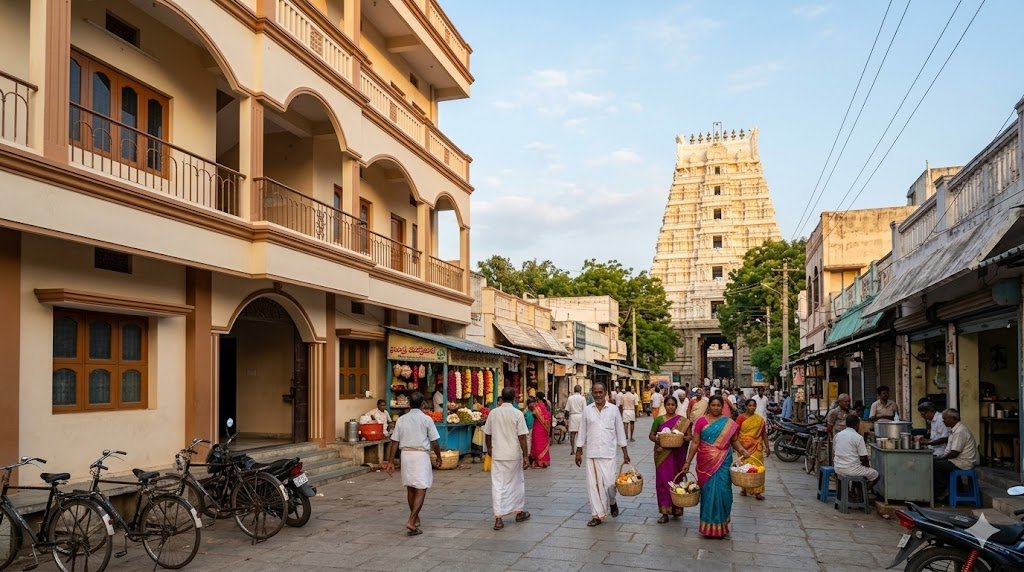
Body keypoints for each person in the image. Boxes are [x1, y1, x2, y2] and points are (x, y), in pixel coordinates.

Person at [682, 395, 748, 538]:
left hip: (724, 460)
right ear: (709, 406)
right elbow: (695, 443)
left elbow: (734, 441)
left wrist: (742, 450)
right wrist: (687, 462)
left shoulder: (728, 422)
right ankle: (708, 527)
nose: (716, 408)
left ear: (722, 407)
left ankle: (722, 525)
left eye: (719, 405)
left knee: (724, 492)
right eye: (713, 405)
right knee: (708, 492)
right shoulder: (700, 422)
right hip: (705, 462)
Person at [382, 392, 442, 536]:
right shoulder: (427, 419)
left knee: (410, 488)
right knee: (421, 487)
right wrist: (439, 457)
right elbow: (434, 441)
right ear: (423, 404)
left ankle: (415, 518)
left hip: (406, 455)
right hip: (420, 455)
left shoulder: (402, 419)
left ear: (409, 403)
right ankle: (411, 520)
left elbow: (394, 442)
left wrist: (390, 461)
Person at [575, 380, 631, 527]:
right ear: (592, 393)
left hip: (609, 454)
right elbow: (582, 432)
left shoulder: (613, 410)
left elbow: (620, 431)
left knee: (610, 485)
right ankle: (597, 515)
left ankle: (612, 502)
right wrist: (578, 451)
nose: (598, 395)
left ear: (605, 393)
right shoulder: (587, 410)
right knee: (594, 486)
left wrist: (625, 453)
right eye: (595, 392)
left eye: (601, 392)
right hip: (592, 453)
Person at [483, 387, 531, 530]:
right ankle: (519, 511)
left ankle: (498, 518)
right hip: (513, 455)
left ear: (501, 398)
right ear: (515, 398)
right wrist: (526, 455)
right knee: (517, 483)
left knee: (498, 485)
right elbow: (522, 436)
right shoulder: (517, 414)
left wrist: (490, 449)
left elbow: (487, 434)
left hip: (498, 454)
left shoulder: (493, 413)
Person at [650, 396, 691, 523]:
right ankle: (664, 512)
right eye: (668, 404)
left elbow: (690, 436)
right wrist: (659, 439)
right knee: (663, 482)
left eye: (673, 405)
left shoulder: (683, 421)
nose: (670, 407)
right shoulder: (658, 420)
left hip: (677, 455)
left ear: (676, 406)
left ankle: (677, 508)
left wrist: (682, 438)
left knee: (677, 480)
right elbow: (651, 435)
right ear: (665, 405)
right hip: (662, 455)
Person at [933, 409, 978, 502]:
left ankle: (940, 491)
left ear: (953, 419)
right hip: (957, 461)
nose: (943, 421)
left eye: (944, 418)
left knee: (935, 464)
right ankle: (956, 489)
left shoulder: (960, 431)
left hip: (962, 463)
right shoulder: (955, 430)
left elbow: (954, 453)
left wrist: (941, 458)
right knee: (936, 462)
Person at [833, 414, 880, 497]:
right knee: (875, 474)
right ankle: (862, 493)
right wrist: (868, 467)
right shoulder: (858, 437)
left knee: (858, 467)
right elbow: (864, 458)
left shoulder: (838, 435)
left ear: (846, 424)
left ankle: (852, 492)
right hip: (850, 469)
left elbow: (835, 449)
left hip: (837, 467)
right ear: (858, 425)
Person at [736, 398, 770, 500]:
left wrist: (767, 446)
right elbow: (735, 433)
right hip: (743, 448)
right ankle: (744, 489)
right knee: (745, 468)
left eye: (754, 406)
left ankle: (757, 491)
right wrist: (737, 446)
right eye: (750, 405)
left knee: (758, 468)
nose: (752, 407)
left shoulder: (759, 419)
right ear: (746, 406)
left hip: (757, 447)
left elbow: (764, 433)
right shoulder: (740, 418)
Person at [526, 397, 551, 468]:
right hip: (543, 428)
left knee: (537, 443)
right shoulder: (543, 406)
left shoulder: (536, 407)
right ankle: (543, 461)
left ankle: (539, 461)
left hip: (538, 427)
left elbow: (534, 413)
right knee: (540, 443)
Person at [566, 385, 587, 453]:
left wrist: (566, 418)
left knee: (572, 434)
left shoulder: (570, 398)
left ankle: (572, 450)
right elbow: (585, 409)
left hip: (573, 416)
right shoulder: (582, 398)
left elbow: (567, 409)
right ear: (580, 390)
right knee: (580, 434)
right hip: (581, 416)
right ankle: (580, 449)